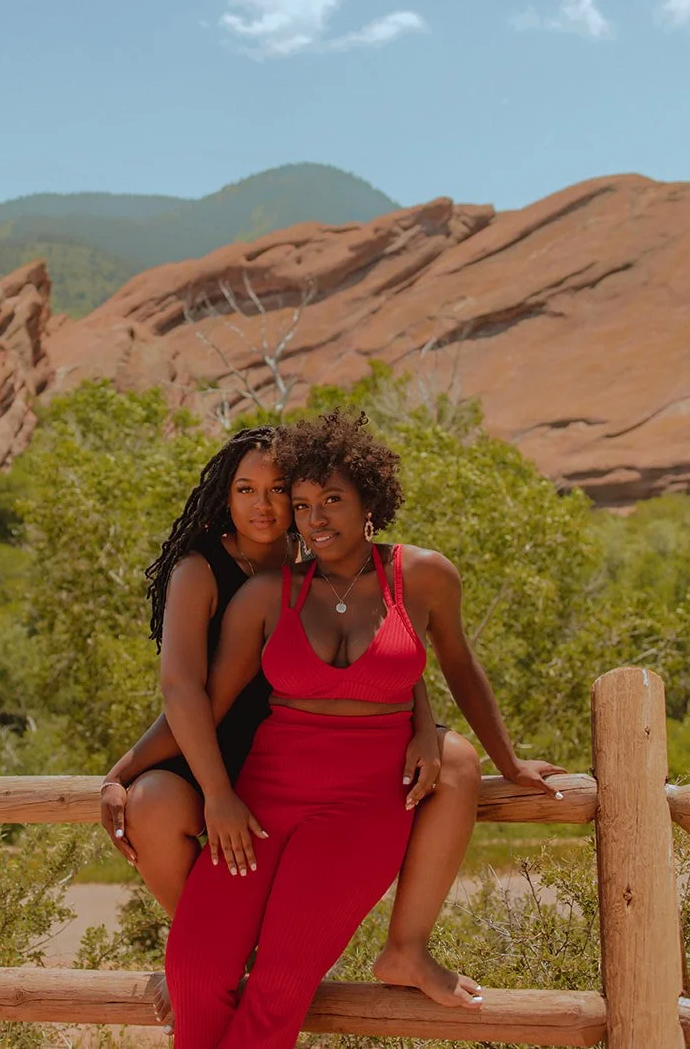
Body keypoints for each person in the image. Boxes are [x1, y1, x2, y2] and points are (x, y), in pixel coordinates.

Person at [163, 411, 565, 1048]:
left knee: (278, 986)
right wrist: (158, 779)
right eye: (301, 506)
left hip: (363, 806)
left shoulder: (425, 575)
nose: (314, 518)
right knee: (194, 969)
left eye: (332, 501)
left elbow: (460, 667)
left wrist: (509, 764)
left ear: (369, 503)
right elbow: (201, 703)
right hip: (262, 796)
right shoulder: (270, 593)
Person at [99, 426, 482, 1015]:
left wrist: (419, 721)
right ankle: (215, 957)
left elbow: (382, 654)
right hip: (212, 745)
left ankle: (253, 960)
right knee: (150, 805)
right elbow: (184, 692)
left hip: (282, 755)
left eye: (281, 490)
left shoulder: (312, 555)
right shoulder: (201, 570)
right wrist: (119, 774)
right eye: (245, 489)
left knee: (452, 757)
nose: (266, 505)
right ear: (224, 498)